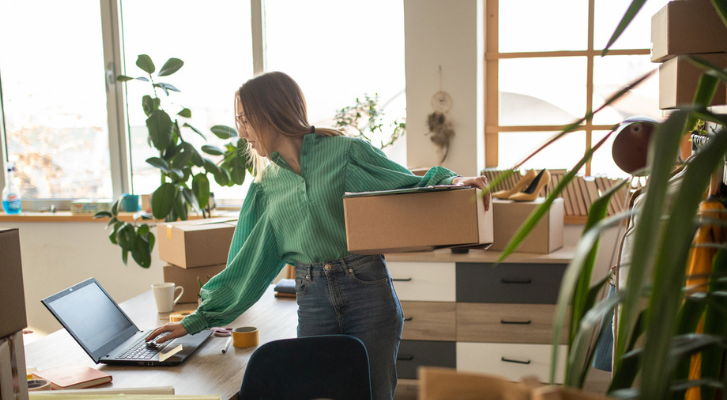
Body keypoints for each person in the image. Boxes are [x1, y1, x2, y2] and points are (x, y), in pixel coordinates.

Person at [146, 71, 490, 400]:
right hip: (313, 302)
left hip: (368, 295)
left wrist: (453, 182)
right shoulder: (267, 186)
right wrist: (198, 320)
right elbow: (247, 263)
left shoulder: (345, 152)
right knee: (317, 393)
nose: (241, 132)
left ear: (270, 112)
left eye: (245, 120)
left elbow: (406, 184)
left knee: (372, 395)